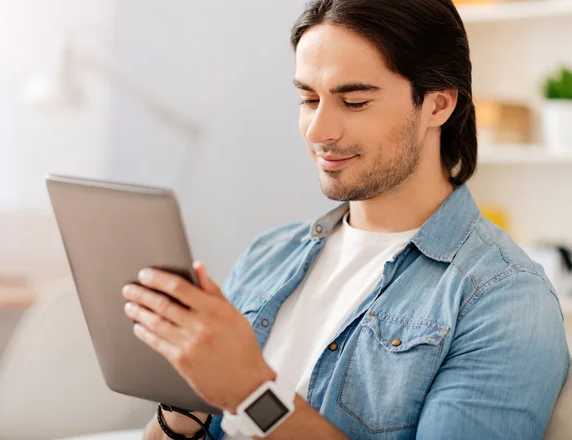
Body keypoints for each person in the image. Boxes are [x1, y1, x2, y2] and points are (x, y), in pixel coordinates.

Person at [123, 1, 570, 438]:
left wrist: (249, 389)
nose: (318, 131)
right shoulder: (268, 255)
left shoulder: (504, 299)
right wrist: (186, 402)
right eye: (307, 98)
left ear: (438, 105)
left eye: (353, 101)